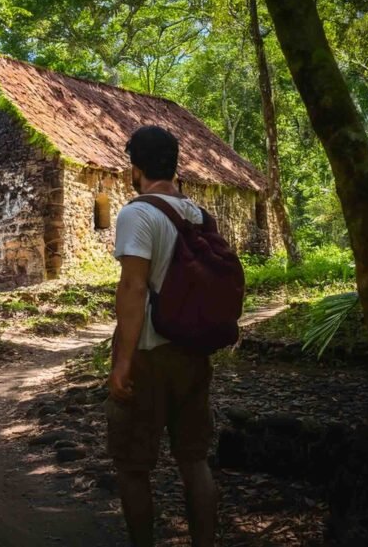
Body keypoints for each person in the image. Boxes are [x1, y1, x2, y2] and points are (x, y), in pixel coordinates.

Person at [106, 125, 217, 547]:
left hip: (150, 354)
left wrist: (122, 362)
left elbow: (134, 288)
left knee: (133, 465)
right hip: (194, 353)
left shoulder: (138, 212)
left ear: (136, 167)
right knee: (194, 461)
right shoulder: (200, 215)